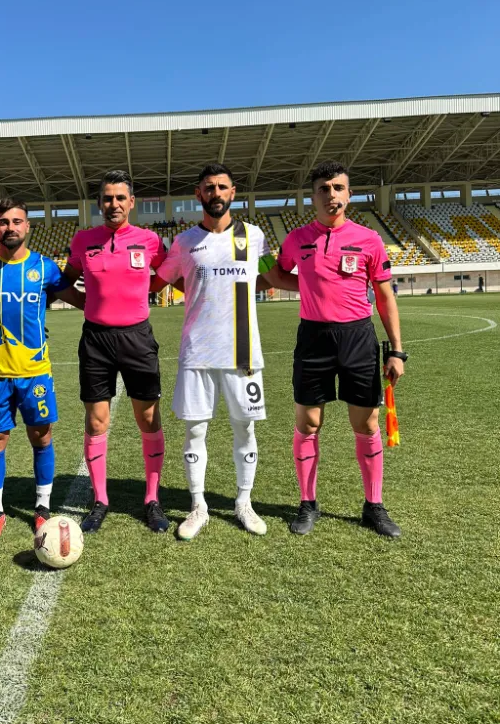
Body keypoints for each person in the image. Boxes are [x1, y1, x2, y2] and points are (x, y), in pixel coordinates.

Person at [152, 163, 298, 540]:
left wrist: (322, 284)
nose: (215, 193)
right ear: (198, 195)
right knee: (195, 430)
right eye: (208, 187)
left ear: (233, 193)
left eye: (222, 187)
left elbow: (273, 276)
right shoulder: (184, 242)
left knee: (245, 429)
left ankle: (243, 502)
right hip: (197, 352)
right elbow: (160, 281)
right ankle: (198, 506)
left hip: (243, 353)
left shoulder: (255, 237)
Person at [276, 160, 406, 538]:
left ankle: (374, 506)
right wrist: (303, 284)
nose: (331, 194)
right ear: (312, 196)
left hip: (358, 338)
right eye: (323, 188)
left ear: (349, 194)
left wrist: (396, 351)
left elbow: (385, 297)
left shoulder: (369, 239)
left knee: (366, 424)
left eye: (338, 187)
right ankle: (308, 503)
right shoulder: (296, 239)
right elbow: (277, 271)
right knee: (308, 423)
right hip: (313, 339)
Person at [0, 198, 84, 541]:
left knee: (41, 435)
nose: (10, 227)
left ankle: (42, 507)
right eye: (3, 222)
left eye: (17, 221)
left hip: (35, 372)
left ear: (27, 226)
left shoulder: (45, 268)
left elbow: (81, 299)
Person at [64, 169, 168, 534]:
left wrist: (145, 292)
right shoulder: (83, 241)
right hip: (96, 339)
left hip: (137, 338)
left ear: (132, 202)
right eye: (107, 198)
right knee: (96, 421)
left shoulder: (149, 241)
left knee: (148, 418)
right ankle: (99, 500)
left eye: (120, 198)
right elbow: (64, 282)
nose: (114, 204)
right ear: (99, 203)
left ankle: (152, 498)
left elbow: (166, 274)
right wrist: (89, 304)